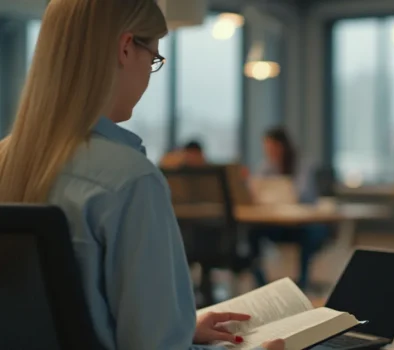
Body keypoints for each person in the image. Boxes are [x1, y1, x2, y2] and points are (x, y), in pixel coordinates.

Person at [0, 1, 282, 349]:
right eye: (153, 59)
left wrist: (180, 328)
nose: (150, 73)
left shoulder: (7, 159)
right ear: (125, 47)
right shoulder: (129, 180)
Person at [248, 127, 329, 290]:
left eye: (272, 147)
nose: (269, 151)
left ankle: (302, 284)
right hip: (278, 224)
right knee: (252, 233)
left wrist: (286, 193)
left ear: (283, 146)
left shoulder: (303, 166)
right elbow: (255, 190)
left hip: (303, 224)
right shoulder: (266, 167)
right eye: (267, 147)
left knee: (311, 234)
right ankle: (262, 285)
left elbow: (304, 195)